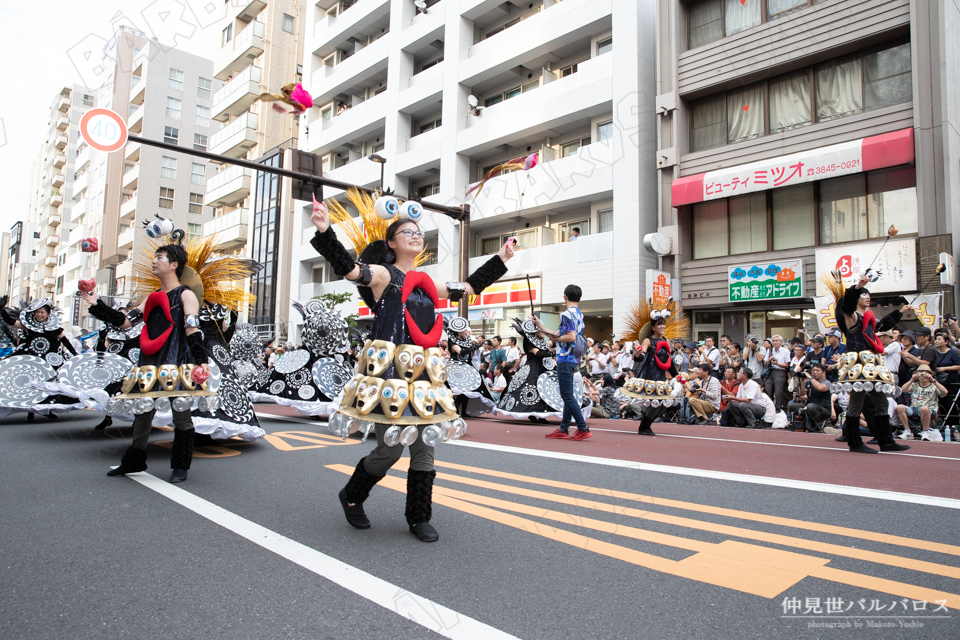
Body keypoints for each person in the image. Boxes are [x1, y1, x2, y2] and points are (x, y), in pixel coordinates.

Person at [309, 191, 514, 542]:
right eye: (408, 232)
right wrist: (327, 231)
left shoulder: (427, 282)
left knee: (426, 443)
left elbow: (464, 288)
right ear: (391, 242)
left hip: (425, 372)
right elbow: (350, 270)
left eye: (419, 232)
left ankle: (419, 516)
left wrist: (501, 258)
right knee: (389, 449)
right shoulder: (382, 275)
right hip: (390, 372)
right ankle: (353, 495)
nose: (416, 235)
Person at [81, 243, 212, 483]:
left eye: (159, 257)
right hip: (149, 364)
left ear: (174, 265)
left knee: (181, 415)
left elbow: (193, 330)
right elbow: (125, 322)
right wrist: (97, 304)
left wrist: (201, 361)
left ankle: (180, 465)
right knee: (142, 414)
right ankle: (134, 461)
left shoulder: (186, 295)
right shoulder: (150, 299)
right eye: (154, 257)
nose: (154, 261)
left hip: (177, 364)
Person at [831, 273, 911, 453]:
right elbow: (848, 305)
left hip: (872, 365)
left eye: (868, 294)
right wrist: (857, 287)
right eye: (864, 295)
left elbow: (882, 325)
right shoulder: (851, 318)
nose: (868, 297)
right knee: (857, 403)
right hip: (858, 364)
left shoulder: (867, 320)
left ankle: (886, 440)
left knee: (881, 401)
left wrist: (901, 311)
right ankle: (855, 441)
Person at [531, 285, 590, 440]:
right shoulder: (579, 315)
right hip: (573, 358)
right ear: (579, 298)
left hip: (565, 357)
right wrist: (539, 325)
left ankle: (582, 427)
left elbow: (569, 337)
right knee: (568, 395)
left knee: (567, 396)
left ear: (565, 296)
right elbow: (555, 334)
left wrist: (556, 339)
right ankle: (564, 428)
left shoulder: (566, 315)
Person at [895, 363, 947, 435]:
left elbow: (945, 392)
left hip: (930, 410)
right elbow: (902, 390)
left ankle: (925, 432)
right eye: (920, 372)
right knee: (899, 407)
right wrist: (911, 380)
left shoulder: (934, 386)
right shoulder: (914, 385)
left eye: (925, 372)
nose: (923, 374)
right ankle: (907, 431)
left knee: (924, 408)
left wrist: (933, 380)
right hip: (914, 409)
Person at [786, 362, 831, 432]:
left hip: (823, 410)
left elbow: (820, 388)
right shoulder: (810, 382)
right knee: (791, 406)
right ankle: (800, 424)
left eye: (817, 371)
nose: (815, 372)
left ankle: (817, 426)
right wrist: (802, 379)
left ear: (823, 373)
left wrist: (810, 377)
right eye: (813, 371)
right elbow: (802, 393)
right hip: (809, 407)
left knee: (811, 406)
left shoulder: (826, 382)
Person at [763, 335, 791, 412]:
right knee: (768, 390)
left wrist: (778, 364)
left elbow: (787, 365)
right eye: (773, 341)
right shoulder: (770, 350)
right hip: (770, 371)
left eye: (776, 341)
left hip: (780, 371)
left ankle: (778, 409)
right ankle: (769, 409)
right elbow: (765, 363)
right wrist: (769, 360)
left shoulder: (785, 351)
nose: (775, 342)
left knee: (778, 391)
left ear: (781, 342)